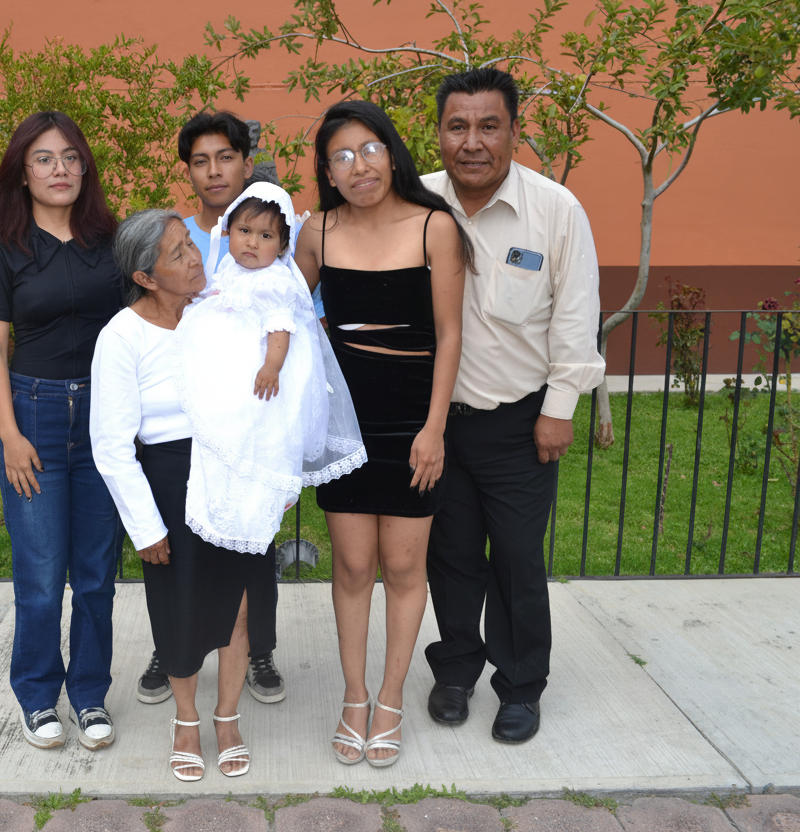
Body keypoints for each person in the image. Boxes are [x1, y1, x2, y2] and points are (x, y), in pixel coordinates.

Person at [420, 67, 605, 744]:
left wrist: (561, 407)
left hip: (520, 424)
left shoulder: (556, 210)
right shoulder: (417, 203)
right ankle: (455, 670)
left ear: (514, 133)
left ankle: (522, 685)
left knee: (519, 559)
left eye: (488, 126)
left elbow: (576, 314)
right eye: (458, 126)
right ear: (440, 134)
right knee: (451, 557)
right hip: (438, 425)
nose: (472, 142)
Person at [294, 100, 471, 766]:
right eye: (341, 156)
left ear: (392, 153)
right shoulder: (318, 231)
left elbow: (449, 334)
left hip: (411, 425)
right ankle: (354, 696)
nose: (358, 166)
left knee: (402, 567)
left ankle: (390, 698)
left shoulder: (434, 227)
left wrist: (434, 428)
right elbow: (282, 312)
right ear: (327, 172)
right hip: (343, 424)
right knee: (352, 567)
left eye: (369, 149)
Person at [92, 210, 273, 780]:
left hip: (233, 473)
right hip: (170, 484)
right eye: (178, 254)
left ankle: (227, 717)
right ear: (145, 277)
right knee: (181, 611)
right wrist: (146, 527)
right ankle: (187, 720)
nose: (196, 258)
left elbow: (261, 398)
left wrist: (271, 477)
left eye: (190, 245)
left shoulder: (216, 311)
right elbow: (112, 447)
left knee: (239, 605)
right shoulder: (121, 337)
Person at [0, 111, 124, 752]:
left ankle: (88, 694)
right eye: (43, 158)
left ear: (84, 167)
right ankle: (37, 697)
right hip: (34, 417)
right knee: (39, 576)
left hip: (104, 419)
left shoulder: (110, 242)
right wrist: (10, 434)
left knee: (95, 572)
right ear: (23, 172)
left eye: (69, 157)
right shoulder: (7, 250)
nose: (59, 169)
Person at [134, 111, 287, 708]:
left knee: (252, 541)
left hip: (252, 422)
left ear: (247, 163)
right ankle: (172, 648)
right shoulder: (176, 237)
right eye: (200, 161)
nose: (214, 171)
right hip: (185, 426)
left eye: (225, 157)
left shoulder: (274, 229)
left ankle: (259, 648)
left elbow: (296, 324)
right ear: (189, 171)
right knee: (182, 544)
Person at [174, 182, 365, 554]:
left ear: (281, 246)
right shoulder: (230, 266)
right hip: (233, 359)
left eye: (265, 236)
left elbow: (280, 328)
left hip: (263, 365)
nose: (251, 242)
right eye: (244, 231)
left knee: (259, 420)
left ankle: (265, 478)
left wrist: (272, 366)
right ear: (229, 230)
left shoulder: (275, 281)